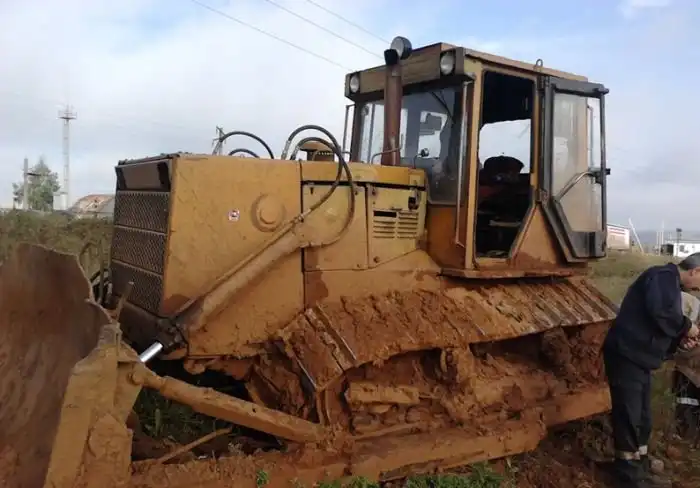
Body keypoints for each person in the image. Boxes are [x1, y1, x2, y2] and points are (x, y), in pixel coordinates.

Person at [602, 253, 700, 488]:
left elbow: (658, 324)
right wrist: (687, 327)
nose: (698, 289)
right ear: (695, 271)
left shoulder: (670, 285)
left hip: (641, 360)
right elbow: (662, 312)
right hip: (627, 356)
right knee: (629, 414)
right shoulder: (662, 276)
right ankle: (627, 475)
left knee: (643, 417)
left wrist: (680, 340)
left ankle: (641, 467)